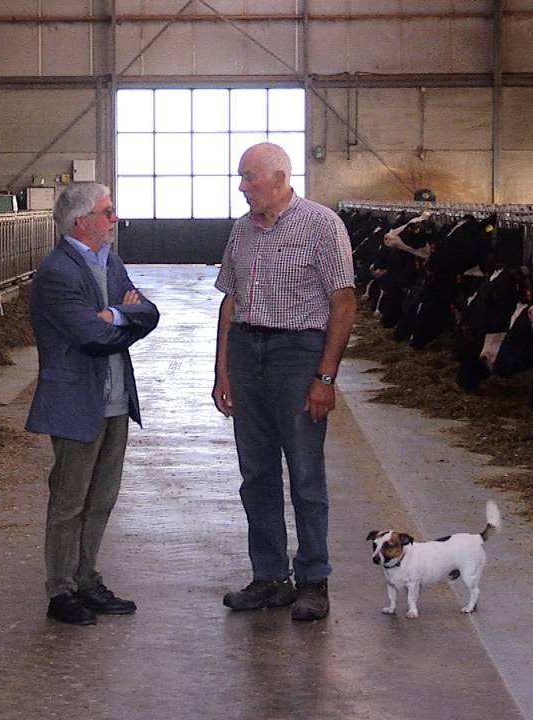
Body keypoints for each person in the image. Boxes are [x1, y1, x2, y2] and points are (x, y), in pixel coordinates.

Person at [212, 143, 356, 622]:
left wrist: (325, 376)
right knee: (256, 472)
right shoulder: (242, 230)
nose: (242, 187)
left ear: (278, 178)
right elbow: (229, 301)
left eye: (248, 177)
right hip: (246, 350)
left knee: (305, 471)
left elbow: (343, 304)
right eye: (241, 177)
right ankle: (269, 577)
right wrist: (222, 370)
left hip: (298, 353)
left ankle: (313, 579)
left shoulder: (321, 224)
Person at [27, 182, 160, 626]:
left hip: (115, 400)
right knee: (69, 501)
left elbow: (150, 313)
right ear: (81, 221)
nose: (113, 218)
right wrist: (120, 320)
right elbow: (91, 336)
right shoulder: (56, 272)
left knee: (101, 498)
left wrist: (118, 315)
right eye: (107, 211)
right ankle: (60, 590)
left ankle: (88, 580)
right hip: (75, 401)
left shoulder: (111, 260)